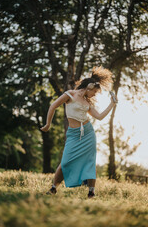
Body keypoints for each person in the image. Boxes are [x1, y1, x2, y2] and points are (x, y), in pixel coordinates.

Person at [41, 66, 117, 198]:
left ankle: (91, 192)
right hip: (73, 134)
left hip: (88, 134)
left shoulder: (87, 102)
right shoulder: (69, 95)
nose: (94, 95)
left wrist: (112, 104)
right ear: (89, 88)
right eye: (94, 92)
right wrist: (48, 124)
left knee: (90, 161)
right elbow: (53, 106)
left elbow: (99, 117)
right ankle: (53, 188)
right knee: (65, 161)